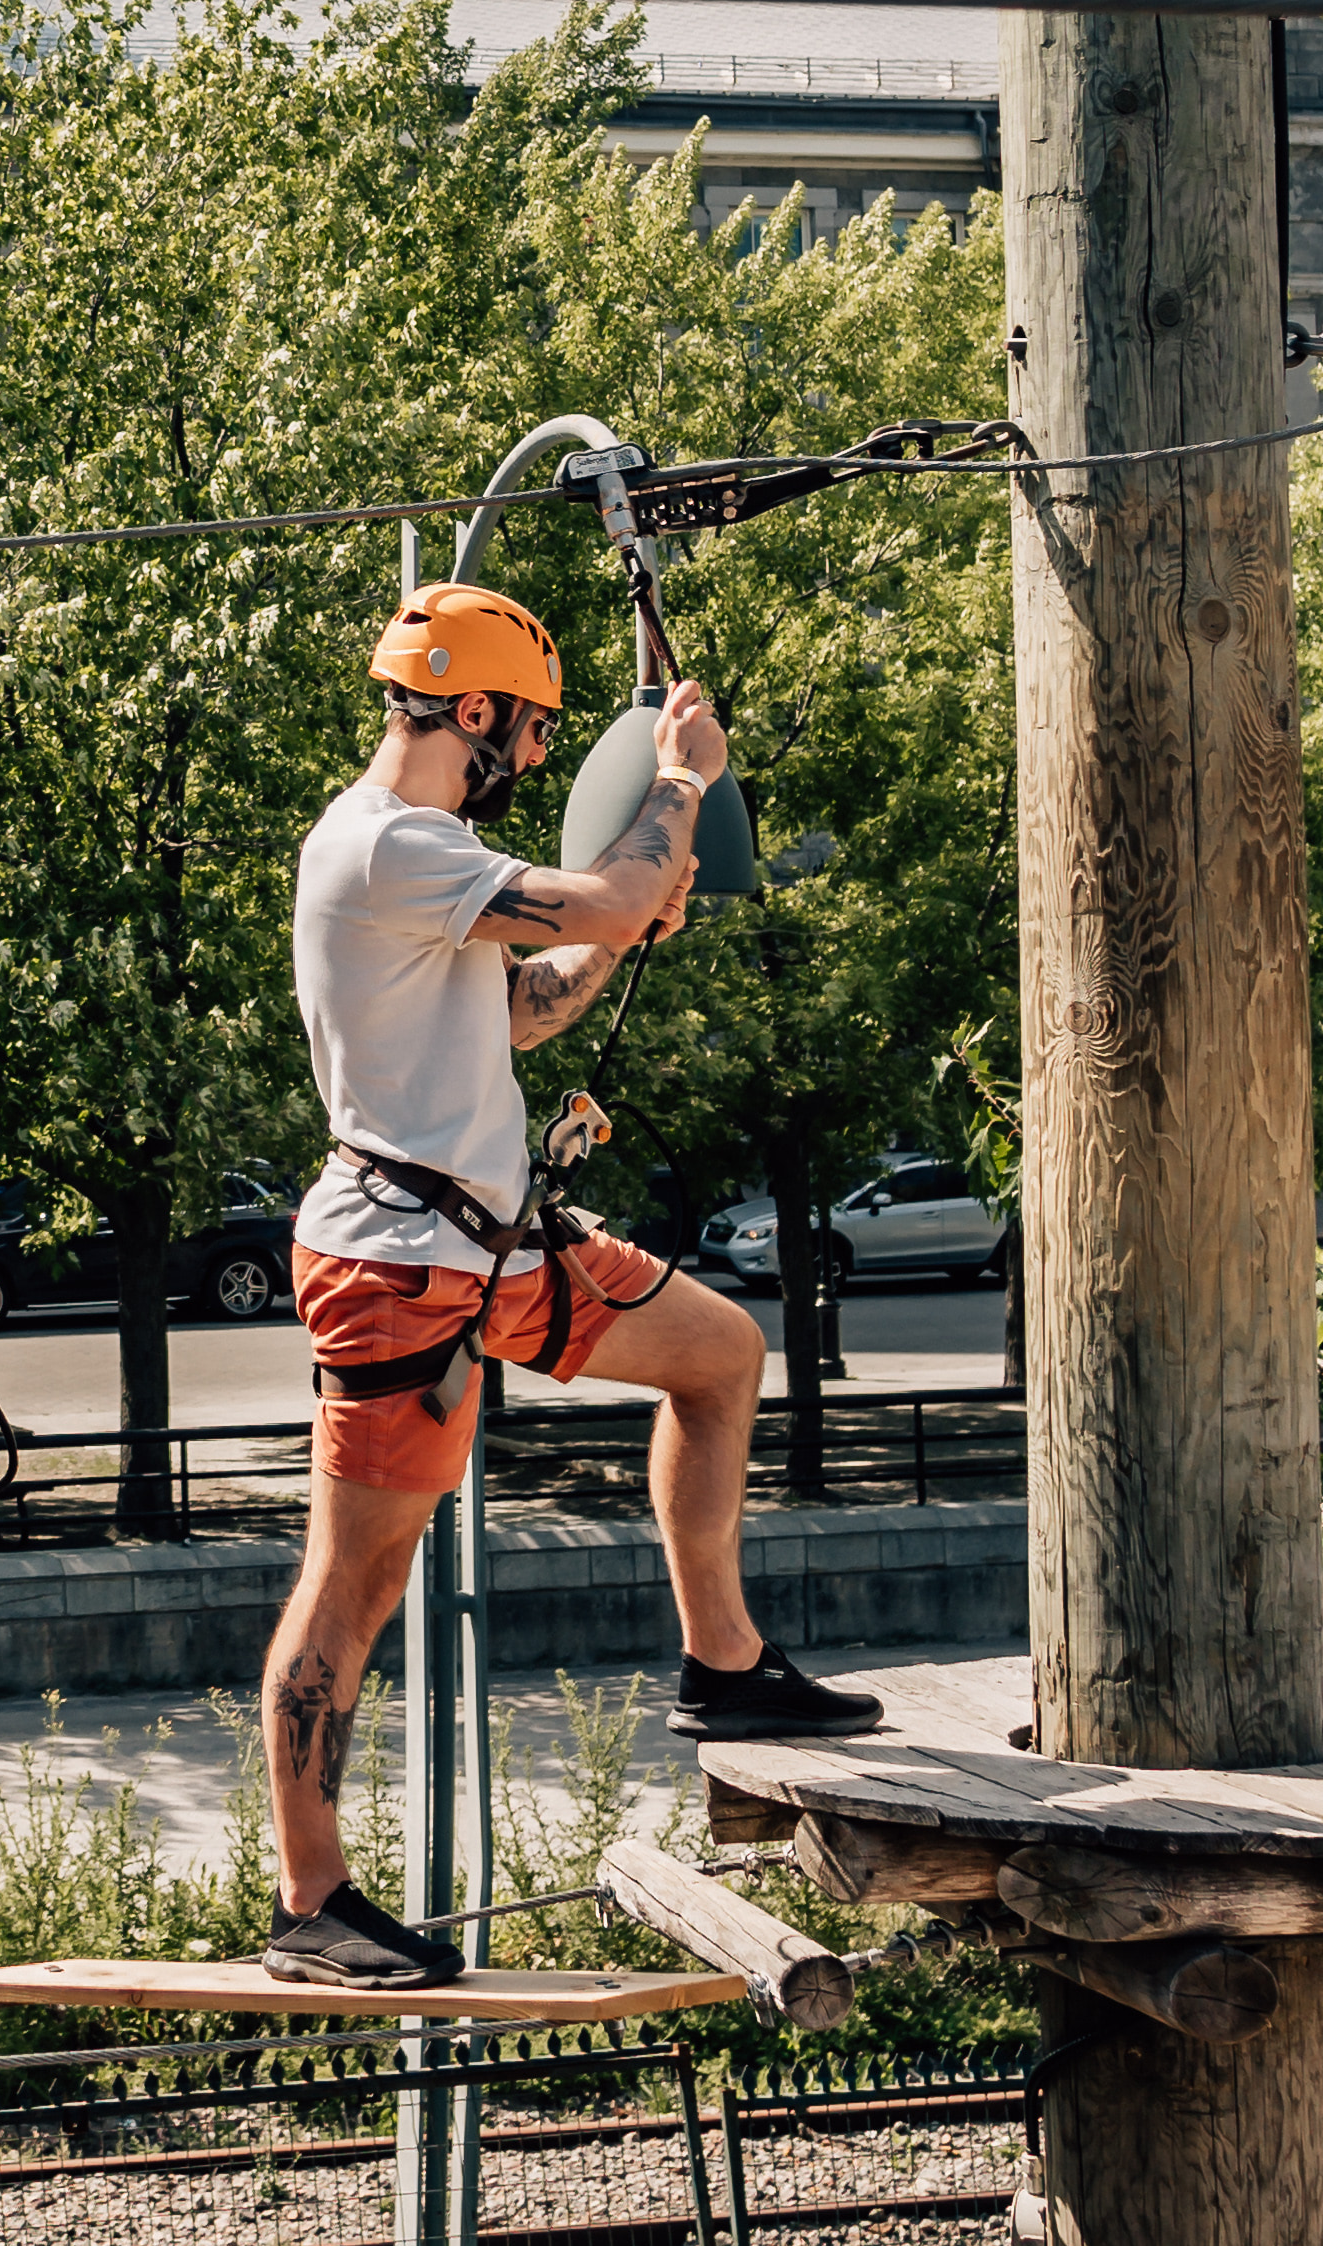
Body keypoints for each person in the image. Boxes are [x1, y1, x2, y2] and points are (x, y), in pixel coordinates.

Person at [261, 584, 881, 1991]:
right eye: (531, 732)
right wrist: (677, 787)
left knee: (719, 1354)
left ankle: (721, 1663)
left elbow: (523, 1004)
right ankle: (310, 1904)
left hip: (488, 1244)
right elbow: (600, 882)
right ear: (470, 710)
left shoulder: (434, 857)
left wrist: (612, 935)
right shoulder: (384, 845)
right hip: (398, 1269)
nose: (536, 759)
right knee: (353, 1586)